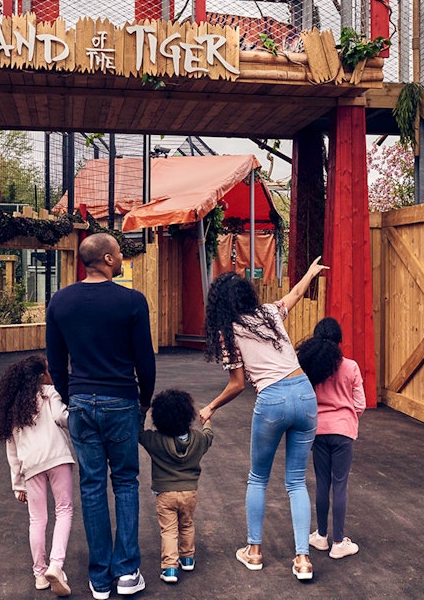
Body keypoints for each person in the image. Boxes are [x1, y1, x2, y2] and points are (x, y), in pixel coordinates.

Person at [199, 257, 328, 581]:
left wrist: (211, 407)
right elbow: (294, 296)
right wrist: (309, 273)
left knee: (258, 478)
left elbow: (238, 384)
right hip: (304, 393)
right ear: (246, 294)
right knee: (296, 481)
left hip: (272, 400)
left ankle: (254, 552)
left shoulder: (228, 332)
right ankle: (302, 560)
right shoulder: (269, 314)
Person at [46, 232, 156, 600]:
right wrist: (144, 401)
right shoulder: (132, 302)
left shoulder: (60, 301)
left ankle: (99, 578)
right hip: (121, 400)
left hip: (80, 402)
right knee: (125, 482)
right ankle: (127, 573)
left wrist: (69, 396)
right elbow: (146, 360)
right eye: (120, 253)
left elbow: (55, 362)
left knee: (92, 486)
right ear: (107, 260)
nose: (122, 257)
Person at [0, 354, 75, 597]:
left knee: (37, 520)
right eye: (48, 370)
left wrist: (18, 485)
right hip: (57, 458)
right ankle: (56, 565)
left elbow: (12, 451)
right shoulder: (49, 393)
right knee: (64, 510)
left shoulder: (12, 409)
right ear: (41, 376)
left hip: (30, 466)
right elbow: (62, 418)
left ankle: (40, 573)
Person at [296, 317, 366, 559]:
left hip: (318, 431)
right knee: (340, 485)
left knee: (322, 483)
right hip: (343, 432)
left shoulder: (312, 368)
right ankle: (339, 542)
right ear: (339, 341)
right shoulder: (351, 367)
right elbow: (360, 403)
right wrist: (347, 419)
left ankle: (321, 536)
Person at [138, 389, 215, 585]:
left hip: (165, 493)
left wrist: (143, 411)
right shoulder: (198, 439)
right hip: (190, 492)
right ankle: (187, 558)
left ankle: (170, 568)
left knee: (169, 530)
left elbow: (138, 432)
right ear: (188, 415)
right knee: (187, 524)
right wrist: (206, 422)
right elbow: (208, 436)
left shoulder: (155, 440)